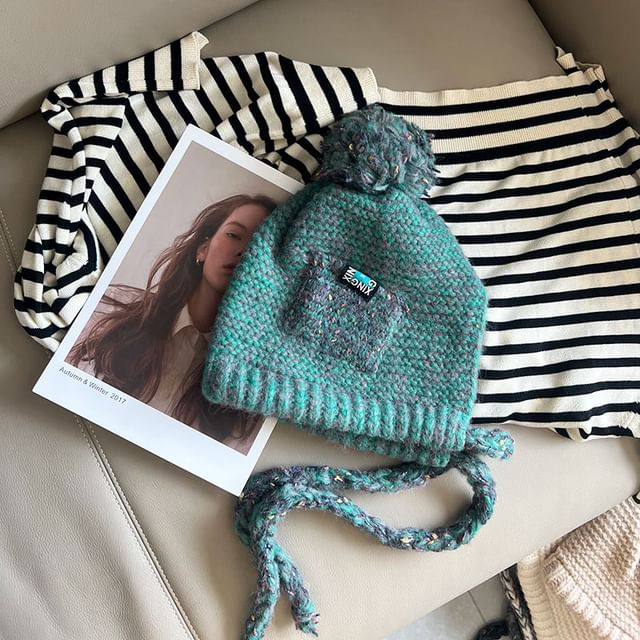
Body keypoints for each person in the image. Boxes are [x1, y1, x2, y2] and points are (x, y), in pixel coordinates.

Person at [68, 194, 277, 454]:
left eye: (260, 247)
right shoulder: (111, 310)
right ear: (203, 249)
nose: (244, 251)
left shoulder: (256, 387)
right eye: (234, 235)